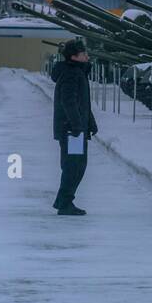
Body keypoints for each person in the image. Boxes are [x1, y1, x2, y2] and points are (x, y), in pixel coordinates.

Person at [50, 39, 98, 215]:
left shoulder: (77, 72)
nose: (87, 55)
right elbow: (68, 102)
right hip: (72, 130)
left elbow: (82, 103)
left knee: (76, 165)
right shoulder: (71, 74)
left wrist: (90, 122)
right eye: (83, 53)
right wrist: (77, 126)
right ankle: (65, 203)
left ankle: (63, 201)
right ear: (74, 57)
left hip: (74, 128)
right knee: (74, 165)